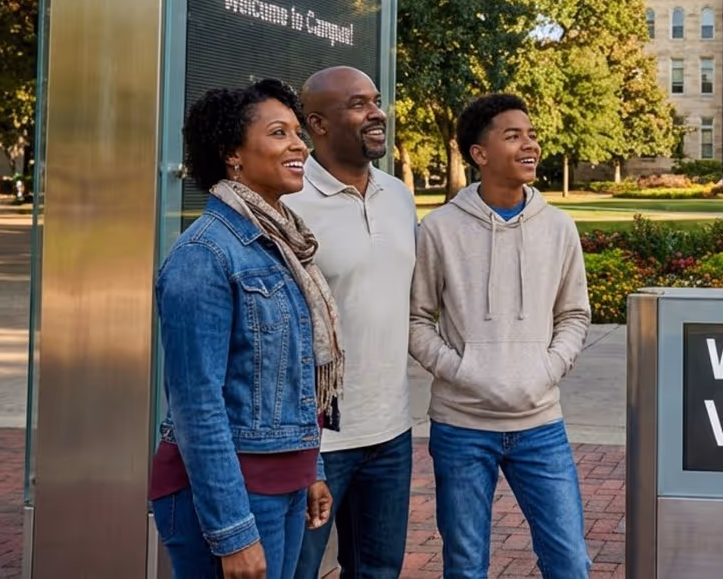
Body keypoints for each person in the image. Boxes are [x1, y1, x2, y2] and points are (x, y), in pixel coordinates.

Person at [151, 80, 340, 579]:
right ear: (232, 153)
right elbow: (197, 406)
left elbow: (292, 379)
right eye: (280, 133)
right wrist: (233, 532)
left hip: (284, 484)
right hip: (230, 497)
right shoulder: (204, 256)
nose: (300, 145)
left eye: (299, 132)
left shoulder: (281, 245)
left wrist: (310, 471)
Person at [410, 94, 593, 579]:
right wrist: (465, 372)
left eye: (531, 134)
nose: (529, 144)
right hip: (461, 427)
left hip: (540, 425)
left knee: (570, 561)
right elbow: (417, 319)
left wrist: (545, 370)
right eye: (513, 136)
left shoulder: (558, 228)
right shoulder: (440, 230)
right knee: (466, 567)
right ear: (479, 154)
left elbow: (574, 314)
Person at [288, 68, 417, 579]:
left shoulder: (398, 195)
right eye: (358, 104)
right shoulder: (290, 200)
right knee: (294, 570)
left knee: (378, 572)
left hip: (391, 430)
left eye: (377, 101)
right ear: (317, 123)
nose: (376, 112)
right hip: (317, 440)